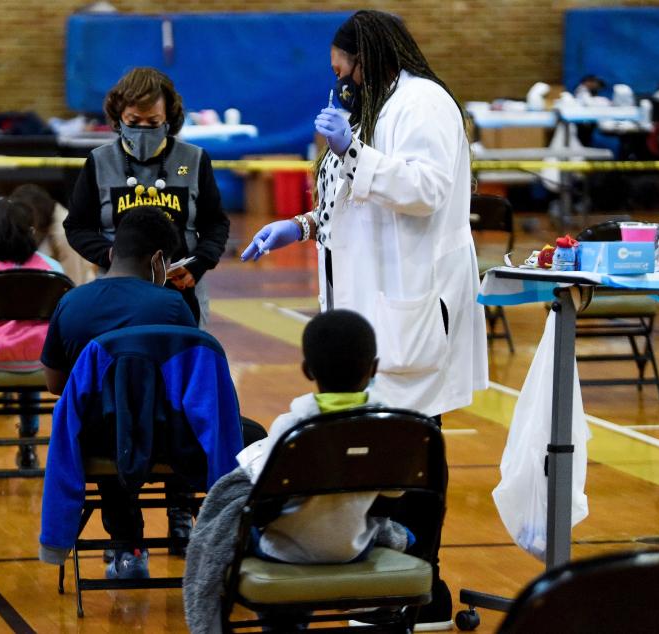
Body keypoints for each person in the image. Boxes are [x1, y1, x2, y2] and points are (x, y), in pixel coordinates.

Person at [240, 11, 488, 630]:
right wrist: (298, 227)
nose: (339, 80)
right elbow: (346, 204)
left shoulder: (423, 103)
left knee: (413, 447)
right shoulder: (374, 109)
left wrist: (355, 148)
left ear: (368, 56)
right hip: (364, 305)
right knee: (378, 449)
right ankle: (388, 581)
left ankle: (419, 586)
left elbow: (426, 190)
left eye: (342, 67)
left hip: (411, 306)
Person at [184, 310, 418, 632]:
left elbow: (264, 504)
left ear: (307, 370)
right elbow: (391, 498)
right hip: (353, 550)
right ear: (374, 368)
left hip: (286, 553)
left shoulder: (291, 428)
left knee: (237, 524)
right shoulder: (393, 430)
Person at [40, 207, 197, 578]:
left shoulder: (71, 302)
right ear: (159, 260)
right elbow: (194, 383)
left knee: (110, 423)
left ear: (111, 253)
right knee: (220, 430)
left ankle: (128, 548)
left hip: (95, 443)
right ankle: (198, 532)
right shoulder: (173, 306)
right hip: (165, 440)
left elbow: (55, 385)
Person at [64, 67, 230, 326]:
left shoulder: (195, 159)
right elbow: (76, 226)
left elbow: (215, 224)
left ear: (169, 119)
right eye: (133, 121)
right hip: (116, 291)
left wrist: (198, 265)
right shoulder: (99, 161)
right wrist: (109, 255)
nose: (142, 129)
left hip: (182, 294)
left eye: (152, 123)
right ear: (118, 118)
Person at [0, 197, 65, 472]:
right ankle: (28, 445)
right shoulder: (54, 269)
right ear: (31, 231)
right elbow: (62, 324)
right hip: (40, 363)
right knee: (32, 361)